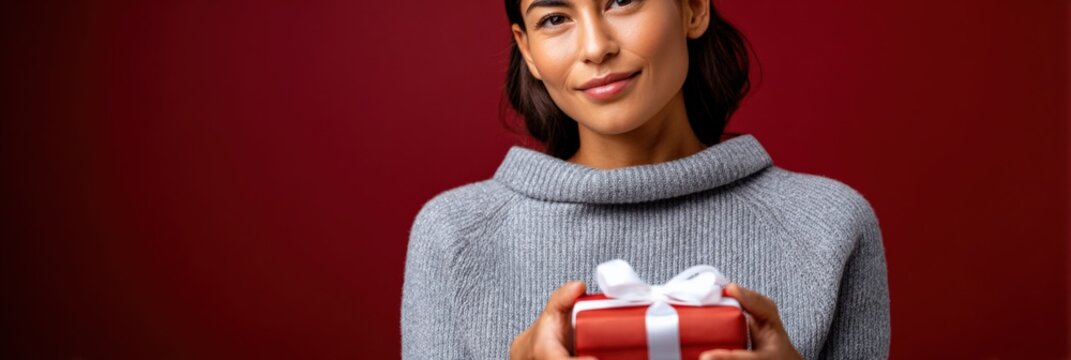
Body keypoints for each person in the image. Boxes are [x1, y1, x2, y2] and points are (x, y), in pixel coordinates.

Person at [401, 0, 891, 359]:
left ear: (693, 9)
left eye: (622, 0)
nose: (596, 47)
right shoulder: (454, 236)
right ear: (527, 49)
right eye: (554, 19)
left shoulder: (829, 226)